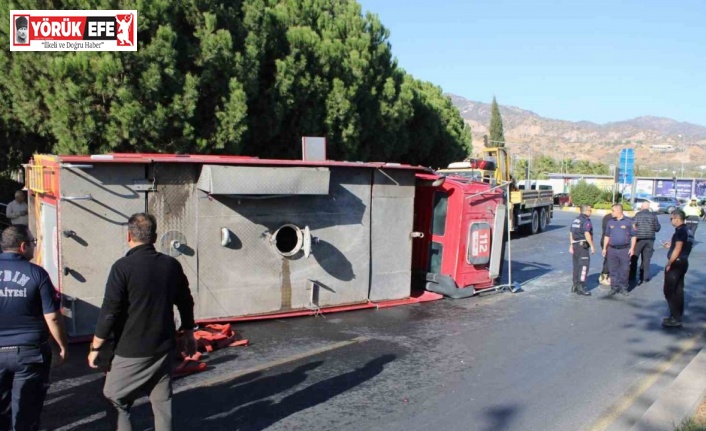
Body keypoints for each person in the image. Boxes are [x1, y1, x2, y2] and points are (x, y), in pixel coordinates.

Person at [87, 213, 196, 431]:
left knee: (115, 398)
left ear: (129, 236)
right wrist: (189, 332)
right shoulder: (171, 265)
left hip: (131, 349)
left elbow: (110, 311)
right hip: (164, 345)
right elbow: (185, 301)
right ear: (155, 237)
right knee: (162, 402)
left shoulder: (122, 268)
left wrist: (96, 346)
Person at [0, 225, 69, 431]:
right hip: (29, 352)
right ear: (23, 246)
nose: (34, 247)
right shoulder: (37, 273)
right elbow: (53, 318)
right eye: (33, 243)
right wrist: (62, 346)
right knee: (27, 409)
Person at [661, 210, 693, 328]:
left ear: (677, 219)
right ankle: (677, 314)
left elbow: (678, 248)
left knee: (669, 290)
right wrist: (670, 246)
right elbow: (681, 245)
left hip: (677, 264)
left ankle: (675, 317)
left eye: (671, 219)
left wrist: (669, 263)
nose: (671, 221)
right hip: (683, 262)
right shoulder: (688, 230)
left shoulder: (680, 231)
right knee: (678, 289)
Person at [603, 204, 636, 296]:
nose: (611, 212)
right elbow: (607, 236)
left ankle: (623, 287)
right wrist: (605, 248)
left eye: (613, 210)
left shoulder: (629, 221)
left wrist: (632, 248)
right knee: (612, 269)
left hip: (624, 250)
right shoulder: (610, 222)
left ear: (619, 211)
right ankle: (614, 287)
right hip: (612, 250)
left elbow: (634, 236)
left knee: (625, 269)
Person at [629, 201, 661, 285]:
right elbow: (657, 228)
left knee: (634, 257)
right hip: (650, 239)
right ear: (648, 207)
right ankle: (644, 277)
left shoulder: (638, 215)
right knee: (646, 259)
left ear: (642, 207)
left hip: (639, 239)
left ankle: (632, 275)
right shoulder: (653, 216)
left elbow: (632, 225)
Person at [569, 205, 595, 296]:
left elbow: (571, 232)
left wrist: (571, 245)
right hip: (583, 245)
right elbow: (586, 233)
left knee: (576, 266)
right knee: (584, 266)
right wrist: (592, 245)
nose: (591, 211)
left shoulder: (576, 219)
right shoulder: (585, 220)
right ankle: (581, 286)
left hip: (576, 245)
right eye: (590, 210)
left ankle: (575, 285)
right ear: (586, 211)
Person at [598, 211, 614, 286]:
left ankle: (606, 275)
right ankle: (604, 276)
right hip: (608, 241)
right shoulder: (611, 219)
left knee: (607, 258)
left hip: (604, 240)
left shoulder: (606, 217)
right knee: (609, 259)